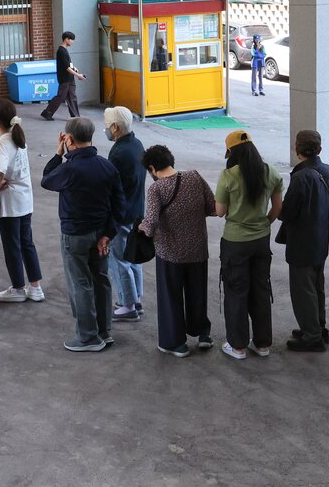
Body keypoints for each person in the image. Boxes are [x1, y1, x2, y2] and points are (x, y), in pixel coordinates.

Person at [40, 117, 124, 351]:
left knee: (80, 284)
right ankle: (103, 331)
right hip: (101, 234)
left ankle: (87, 337)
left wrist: (58, 154)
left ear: (69, 139)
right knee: (101, 280)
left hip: (75, 235)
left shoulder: (69, 169)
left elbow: (47, 180)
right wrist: (108, 234)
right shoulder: (107, 166)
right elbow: (119, 205)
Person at [140, 145, 216, 356]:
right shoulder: (195, 177)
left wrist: (141, 227)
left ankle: (175, 343)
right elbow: (212, 207)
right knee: (197, 293)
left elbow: (150, 224)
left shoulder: (156, 189)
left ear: (152, 168)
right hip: (198, 249)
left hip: (170, 252)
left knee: (171, 297)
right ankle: (202, 334)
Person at [215, 130, 283, 360]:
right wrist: (263, 223)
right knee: (261, 289)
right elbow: (277, 207)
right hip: (261, 240)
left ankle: (238, 347)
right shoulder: (271, 171)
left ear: (231, 152)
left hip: (235, 241)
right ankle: (262, 344)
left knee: (236, 291)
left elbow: (220, 211)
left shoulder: (228, 175)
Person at [277, 130, 329, 352]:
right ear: (319, 149)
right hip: (321, 237)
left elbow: (287, 212)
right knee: (317, 286)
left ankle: (311, 336)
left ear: (296, 149)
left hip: (302, 241)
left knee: (303, 290)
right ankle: (318, 328)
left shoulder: (300, 177)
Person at [0, 99, 45, 303]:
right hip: (25, 200)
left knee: (12, 245)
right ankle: (35, 287)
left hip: (10, 203)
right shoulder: (19, 138)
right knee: (27, 242)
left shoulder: (4, 143)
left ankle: (18, 288)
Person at [104, 106, 147, 321]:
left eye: (106, 126)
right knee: (133, 257)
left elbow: (111, 188)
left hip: (122, 214)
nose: (105, 129)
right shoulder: (137, 144)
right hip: (137, 210)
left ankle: (127, 304)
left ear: (115, 127)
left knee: (119, 259)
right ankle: (136, 299)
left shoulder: (118, 153)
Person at [40, 31, 86, 121]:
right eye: (72, 40)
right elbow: (66, 67)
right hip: (65, 79)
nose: (73, 42)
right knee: (61, 96)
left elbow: (68, 64)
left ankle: (75, 116)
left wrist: (74, 68)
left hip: (69, 78)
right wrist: (78, 75)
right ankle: (47, 112)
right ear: (66, 39)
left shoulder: (64, 50)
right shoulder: (61, 51)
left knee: (72, 96)